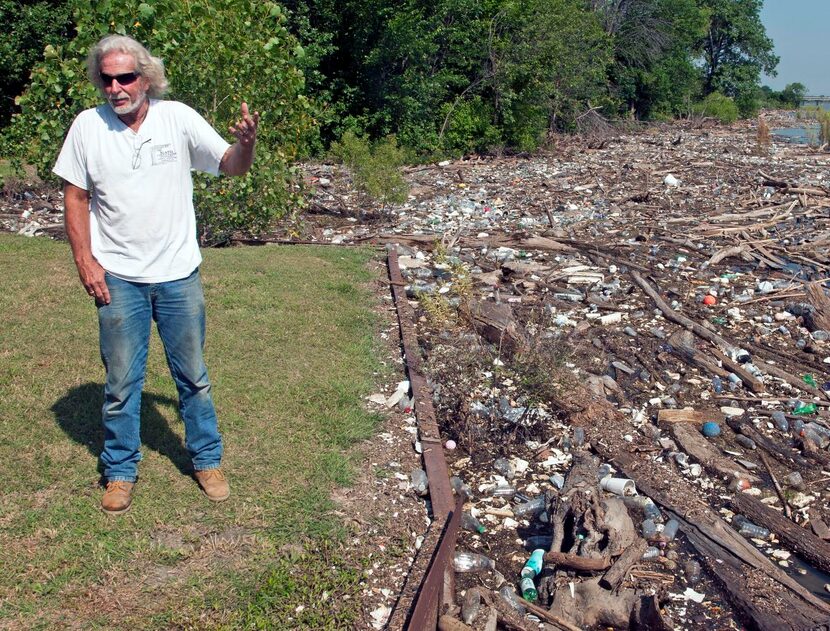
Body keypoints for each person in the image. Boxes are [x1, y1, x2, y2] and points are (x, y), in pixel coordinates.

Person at [53, 34, 259, 514]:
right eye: (107, 79)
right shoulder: (87, 127)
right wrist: (85, 260)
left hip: (177, 274)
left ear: (147, 78)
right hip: (118, 277)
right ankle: (120, 471)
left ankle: (206, 459)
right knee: (122, 382)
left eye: (126, 77)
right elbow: (75, 197)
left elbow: (230, 166)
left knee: (193, 376)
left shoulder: (178, 118)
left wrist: (245, 144)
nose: (116, 88)